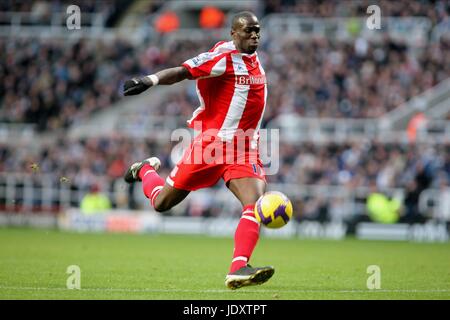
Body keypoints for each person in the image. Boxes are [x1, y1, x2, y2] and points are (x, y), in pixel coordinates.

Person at [123, 11, 274, 289]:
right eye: (248, 31)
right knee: (162, 203)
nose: (254, 36)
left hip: (243, 149)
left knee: (255, 203)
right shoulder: (222, 57)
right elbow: (183, 71)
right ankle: (145, 170)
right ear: (233, 33)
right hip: (210, 147)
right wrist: (150, 80)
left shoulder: (254, 61)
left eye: (257, 31)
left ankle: (238, 267)